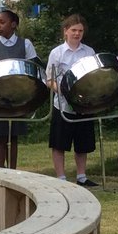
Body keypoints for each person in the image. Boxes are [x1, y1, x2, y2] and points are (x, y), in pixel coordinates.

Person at [0, 9, 40, 170]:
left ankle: (13, 171)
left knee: (13, 136)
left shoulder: (25, 44)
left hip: (17, 96)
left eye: (2, 22)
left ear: (13, 24)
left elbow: (32, 68)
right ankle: (0, 172)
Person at [45, 14, 99, 187]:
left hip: (83, 104)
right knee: (59, 143)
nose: (77, 34)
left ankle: (81, 176)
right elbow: (49, 79)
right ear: (65, 31)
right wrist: (63, 91)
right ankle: (61, 177)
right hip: (62, 104)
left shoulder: (89, 52)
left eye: (80, 31)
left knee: (82, 143)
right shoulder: (57, 53)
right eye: (73, 30)